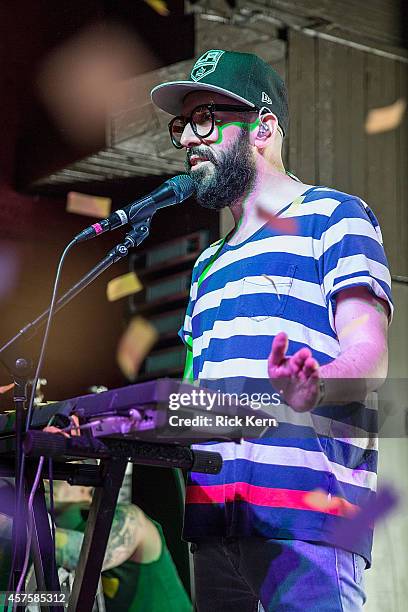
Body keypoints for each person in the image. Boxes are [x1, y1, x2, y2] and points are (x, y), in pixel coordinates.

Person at [150, 49, 393, 611]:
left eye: (205, 118)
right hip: (212, 529)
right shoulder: (206, 265)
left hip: (306, 526)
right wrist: (120, 423)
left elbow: (369, 354)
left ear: (263, 126)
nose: (188, 138)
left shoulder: (336, 216)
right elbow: (195, 405)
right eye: (182, 125)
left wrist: (315, 385)